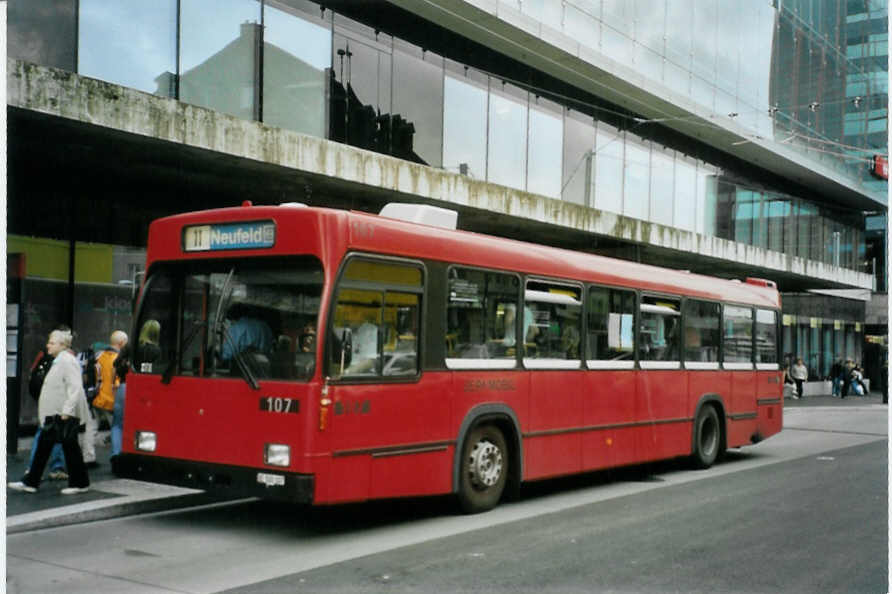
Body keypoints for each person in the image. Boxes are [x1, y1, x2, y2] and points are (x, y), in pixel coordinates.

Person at [9, 329, 91, 494]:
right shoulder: (59, 359)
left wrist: (67, 411)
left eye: (51, 342)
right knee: (47, 447)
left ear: (62, 345)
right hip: (56, 413)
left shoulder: (66, 361)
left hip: (62, 414)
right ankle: (32, 482)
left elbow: (75, 387)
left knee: (69, 449)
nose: (48, 345)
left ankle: (79, 483)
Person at [26, 343, 67, 481]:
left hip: (46, 402)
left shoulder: (44, 355)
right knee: (53, 434)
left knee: (45, 433)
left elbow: (32, 373)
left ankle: (34, 471)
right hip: (55, 404)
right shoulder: (65, 359)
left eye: (51, 342)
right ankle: (55, 467)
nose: (48, 345)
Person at [87, 330, 128, 464]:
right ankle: (117, 455)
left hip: (96, 398)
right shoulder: (118, 360)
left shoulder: (99, 356)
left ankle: (88, 457)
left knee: (91, 428)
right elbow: (117, 382)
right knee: (117, 428)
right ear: (121, 343)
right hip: (111, 400)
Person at [111, 342, 131, 461]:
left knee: (117, 424)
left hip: (123, 387)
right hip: (141, 387)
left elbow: (115, 364)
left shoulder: (128, 347)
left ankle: (116, 453)